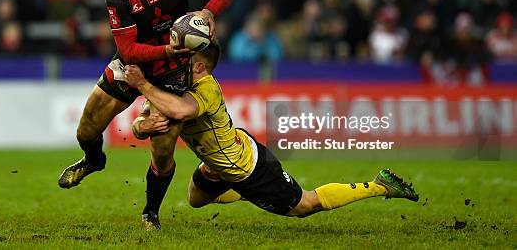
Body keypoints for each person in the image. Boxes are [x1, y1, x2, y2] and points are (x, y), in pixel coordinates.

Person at [57, 0, 237, 230]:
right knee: (85, 131)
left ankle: (150, 212)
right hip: (134, 64)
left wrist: (209, 12)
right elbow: (127, 51)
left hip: (172, 72)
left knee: (164, 150)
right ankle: (94, 160)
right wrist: (167, 49)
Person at [124, 41, 418, 222]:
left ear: (200, 67)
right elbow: (140, 123)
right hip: (221, 160)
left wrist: (142, 84)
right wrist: (143, 125)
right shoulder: (173, 85)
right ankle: (239, 192)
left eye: (184, 60)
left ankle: (380, 185)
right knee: (196, 200)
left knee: (306, 205)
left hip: (248, 168)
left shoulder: (207, 88)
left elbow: (180, 112)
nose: (177, 63)